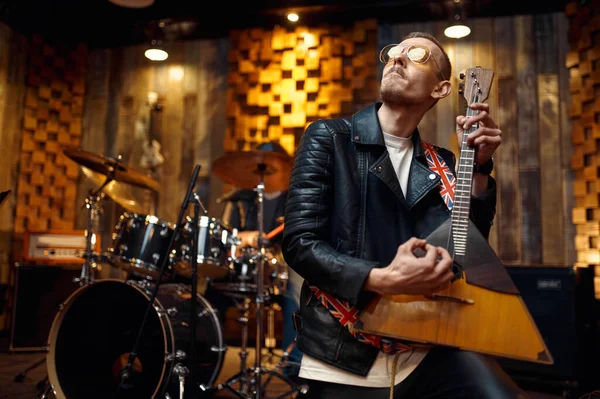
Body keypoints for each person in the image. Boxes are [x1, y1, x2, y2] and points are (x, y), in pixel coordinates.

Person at [281, 32, 527, 398]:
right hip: (345, 352)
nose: (397, 58)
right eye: (393, 52)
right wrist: (379, 278)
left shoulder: (442, 162)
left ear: (442, 89)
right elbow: (300, 243)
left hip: (429, 344)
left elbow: (464, 250)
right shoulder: (329, 138)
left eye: (416, 55)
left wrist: (479, 167)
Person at [205, 141, 303, 368]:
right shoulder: (238, 199)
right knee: (211, 294)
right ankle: (207, 362)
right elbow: (226, 236)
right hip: (244, 268)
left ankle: (293, 364)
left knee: (299, 292)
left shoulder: (295, 199)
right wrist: (245, 237)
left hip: (279, 269)